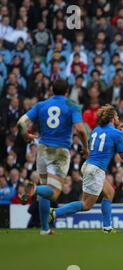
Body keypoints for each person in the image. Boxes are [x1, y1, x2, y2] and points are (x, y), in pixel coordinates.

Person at [17, 79, 89, 235]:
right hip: (59, 152)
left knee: (46, 189)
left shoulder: (41, 105)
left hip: (42, 150)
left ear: (51, 90)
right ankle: (34, 189)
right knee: (53, 192)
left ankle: (44, 228)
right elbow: (81, 130)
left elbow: (21, 122)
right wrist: (85, 147)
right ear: (67, 91)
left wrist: (26, 136)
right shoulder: (72, 106)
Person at [48, 105, 123, 233]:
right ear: (112, 118)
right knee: (86, 205)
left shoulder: (96, 130)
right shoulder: (117, 133)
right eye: (117, 116)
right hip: (95, 170)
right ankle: (54, 212)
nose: (118, 118)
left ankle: (107, 227)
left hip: (89, 165)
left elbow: (94, 147)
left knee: (109, 193)